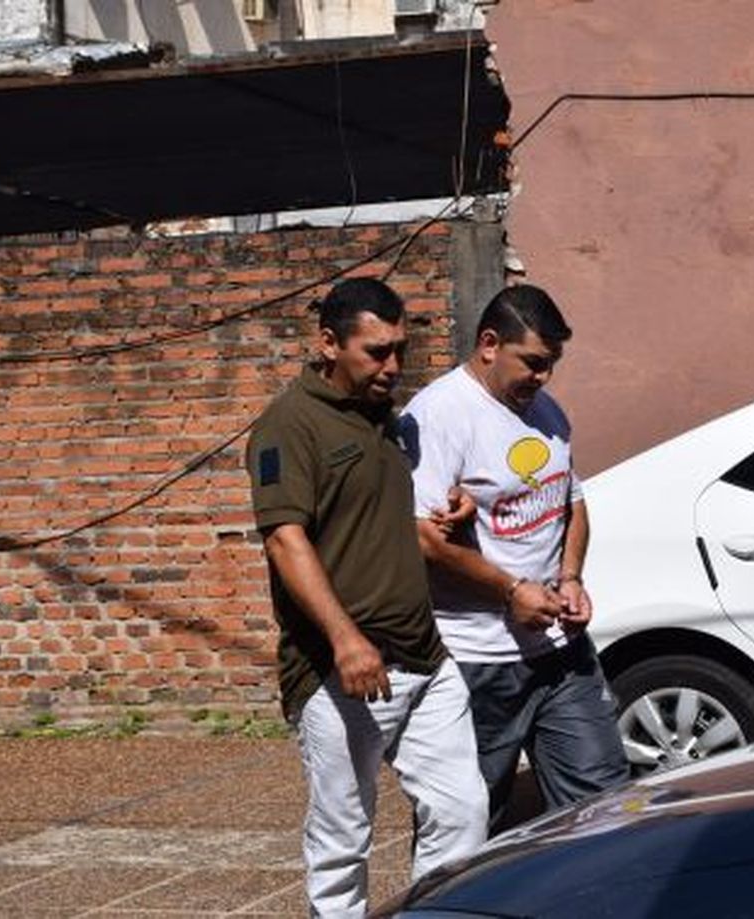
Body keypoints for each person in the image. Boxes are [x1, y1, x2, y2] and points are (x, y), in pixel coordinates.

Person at [245, 277, 488, 917]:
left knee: (463, 813)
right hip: (341, 671)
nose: (393, 366)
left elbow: (378, 518)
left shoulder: (387, 421)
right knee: (342, 839)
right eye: (376, 352)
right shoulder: (288, 426)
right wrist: (345, 638)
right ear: (328, 343)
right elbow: (284, 540)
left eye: (399, 350)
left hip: (426, 658)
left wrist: (446, 517)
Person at [401, 283, 628, 832]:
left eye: (551, 364)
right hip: (478, 657)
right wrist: (509, 591)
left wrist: (571, 577)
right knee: (468, 820)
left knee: (604, 803)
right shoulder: (439, 415)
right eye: (532, 363)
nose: (543, 377)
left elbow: (571, 502)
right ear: (488, 344)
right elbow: (423, 537)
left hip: (560, 652)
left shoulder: (546, 411)